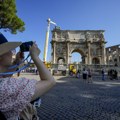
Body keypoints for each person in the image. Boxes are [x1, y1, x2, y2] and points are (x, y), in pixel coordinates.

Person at [0, 33, 56, 120]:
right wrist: (35, 57)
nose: (12, 52)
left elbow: (4, 76)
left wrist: (17, 62)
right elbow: (49, 81)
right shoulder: (6, 87)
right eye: (9, 50)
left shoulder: (3, 83)